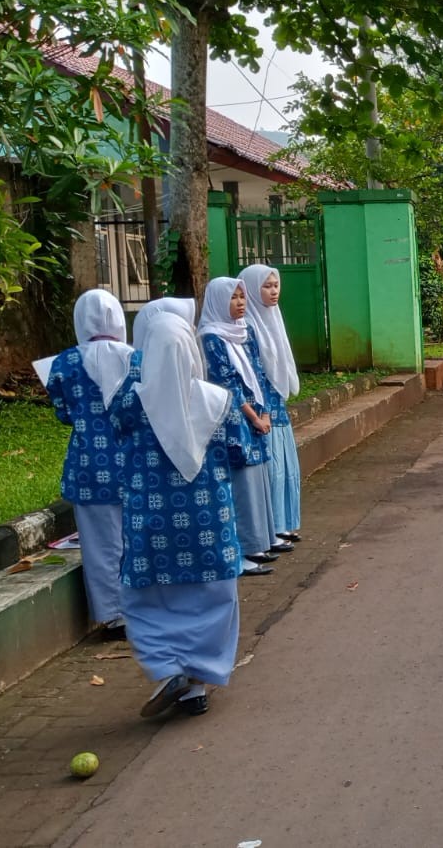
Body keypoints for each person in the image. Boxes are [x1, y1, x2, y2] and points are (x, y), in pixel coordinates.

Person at [111, 311, 241, 718]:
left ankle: (168, 666)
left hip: (148, 520)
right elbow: (237, 450)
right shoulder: (218, 400)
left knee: (148, 596)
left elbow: (115, 431)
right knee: (211, 597)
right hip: (209, 521)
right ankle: (197, 685)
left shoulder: (130, 401)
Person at [43, 289, 135, 637]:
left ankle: (112, 615)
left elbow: (63, 413)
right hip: (134, 463)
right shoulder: (136, 359)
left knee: (99, 543)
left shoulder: (64, 363)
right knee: (135, 538)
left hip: (88, 467)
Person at [199, 277, 277, 577]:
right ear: (219, 301)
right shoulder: (211, 337)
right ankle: (242, 549)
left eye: (242, 296)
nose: (241, 302)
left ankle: (257, 543)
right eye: (233, 297)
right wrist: (253, 416)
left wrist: (265, 411)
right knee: (241, 483)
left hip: (256, 414)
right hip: (232, 420)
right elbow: (226, 381)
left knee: (257, 480)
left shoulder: (246, 331)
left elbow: (259, 371)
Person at [239, 265, 304, 552]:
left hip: (277, 405)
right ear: (253, 290)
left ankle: (284, 522)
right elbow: (253, 372)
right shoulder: (247, 326)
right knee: (273, 468)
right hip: (262, 409)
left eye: (276, 285)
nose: (274, 291)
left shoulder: (272, 317)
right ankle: (273, 526)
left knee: (286, 466)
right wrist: (260, 411)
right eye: (266, 286)